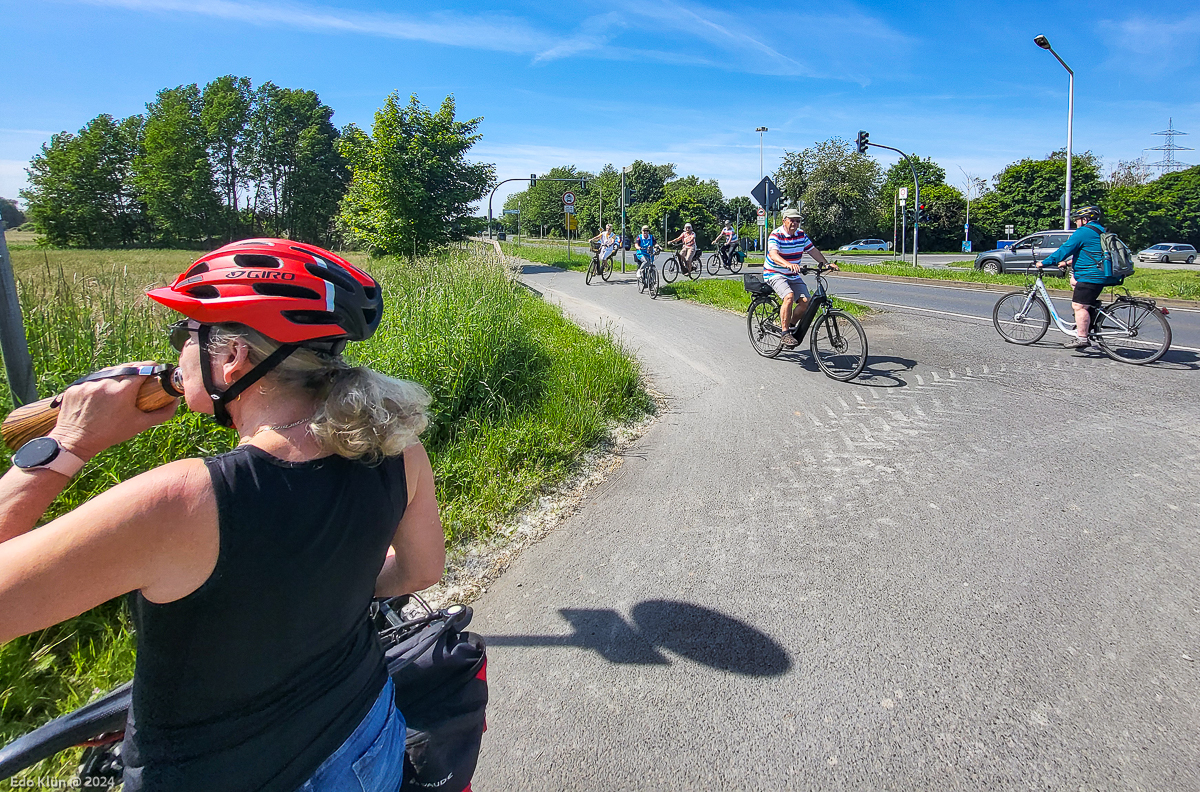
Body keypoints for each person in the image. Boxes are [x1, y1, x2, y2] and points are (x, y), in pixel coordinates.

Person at [0, 239, 446, 792]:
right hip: (367, 739)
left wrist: (69, 442)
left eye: (184, 335)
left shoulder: (179, 501)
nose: (177, 351)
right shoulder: (395, 448)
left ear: (231, 355)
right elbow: (420, 570)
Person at [1037, 206, 1109, 349]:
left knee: (1079, 306)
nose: (1076, 222)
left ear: (1085, 219)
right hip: (1100, 273)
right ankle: (1087, 325)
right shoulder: (1101, 230)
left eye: (1077, 219)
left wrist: (1044, 263)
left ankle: (1082, 338)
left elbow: (1065, 249)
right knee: (1081, 295)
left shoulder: (1083, 232)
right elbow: (1092, 253)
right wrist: (1067, 263)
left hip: (1090, 276)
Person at [766, 208, 838, 347]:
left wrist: (826, 264)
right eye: (792, 220)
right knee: (789, 296)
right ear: (784, 221)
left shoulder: (801, 235)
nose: (795, 223)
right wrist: (788, 264)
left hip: (792, 275)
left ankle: (791, 326)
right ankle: (785, 333)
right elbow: (774, 255)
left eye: (797, 221)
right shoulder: (776, 235)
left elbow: (812, 250)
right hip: (775, 273)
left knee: (806, 302)